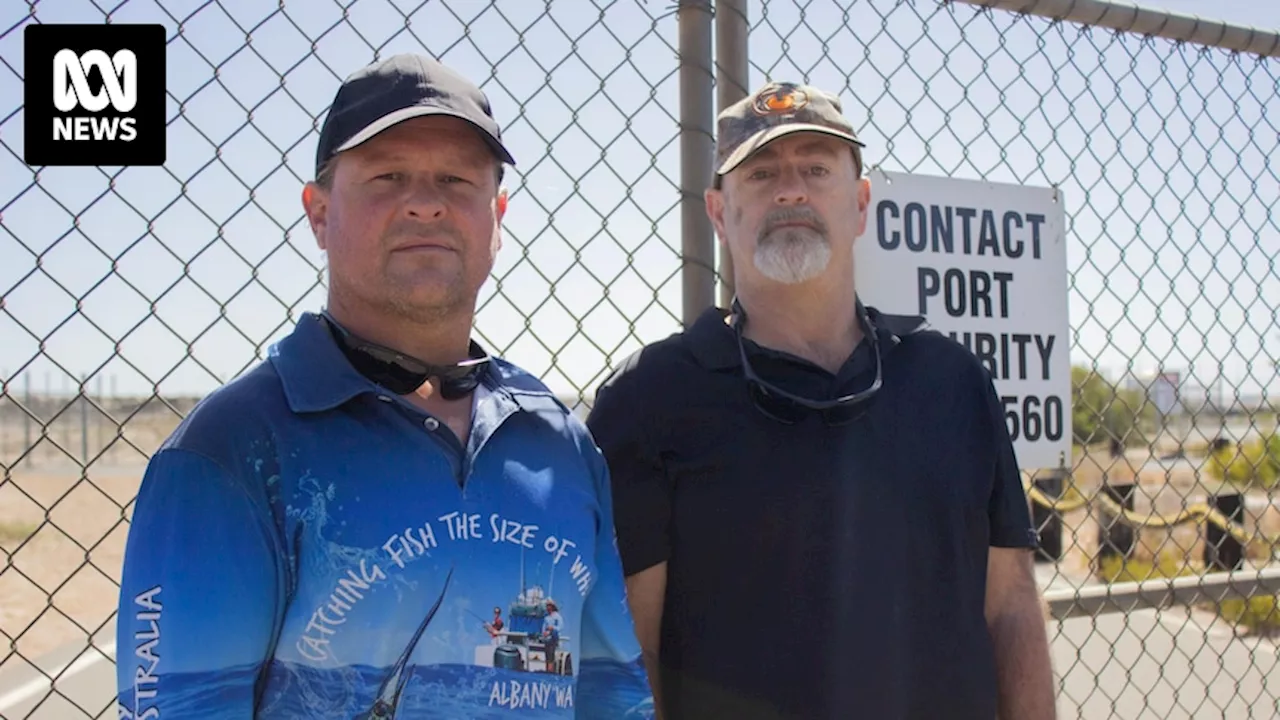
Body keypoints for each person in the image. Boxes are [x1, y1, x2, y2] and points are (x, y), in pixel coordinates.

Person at [114, 53, 652, 719]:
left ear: (497, 217)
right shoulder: (231, 451)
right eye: (387, 177)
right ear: (318, 213)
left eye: (456, 181)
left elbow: (612, 696)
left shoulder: (559, 442)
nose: (425, 203)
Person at [585, 80, 1057, 719]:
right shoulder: (650, 399)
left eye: (815, 168)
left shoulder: (953, 381)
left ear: (861, 205)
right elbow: (631, 658)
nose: (790, 190)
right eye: (760, 174)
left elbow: (1009, 604)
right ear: (719, 212)